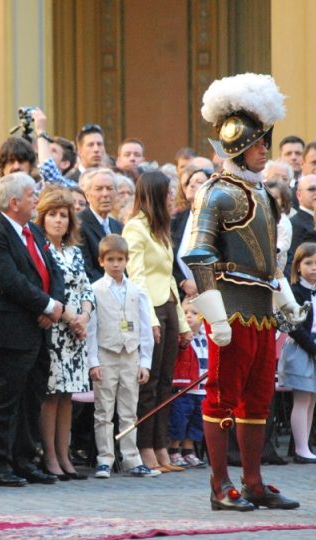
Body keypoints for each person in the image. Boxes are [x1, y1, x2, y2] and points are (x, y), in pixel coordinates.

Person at [183, 73, 303, 511]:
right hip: (230, 307)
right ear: (236, 146)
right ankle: (220, 486)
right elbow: (199, 256)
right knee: (222, 396)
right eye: (258, 146)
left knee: (258, 398)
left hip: (261, 308)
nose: (264, 151)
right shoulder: (214, 194)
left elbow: (269, 260)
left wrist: (284, 298)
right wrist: (214, 317)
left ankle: (253, 481)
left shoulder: (264, 194)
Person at [0, 172, 65, 487]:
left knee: (33, 398)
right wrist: (45, 306)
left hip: (40, 328)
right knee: (8, 398)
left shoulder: (32, 229)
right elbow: (9, 279)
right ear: (14, 201)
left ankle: (25, 460)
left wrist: (54, 304)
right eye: (32, 194)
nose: (36, 199)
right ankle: (0, 464)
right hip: (12, 329)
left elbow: (53, 269)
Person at [123, 170, 192, 474]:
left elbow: (168, 278)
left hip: (169, 305)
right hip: (149, 309)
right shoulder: (135, 228)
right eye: (167, 193)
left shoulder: (161, 229)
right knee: (148, 385)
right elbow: (136, 278)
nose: (171, 198)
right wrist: (149, 319)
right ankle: (144, 447)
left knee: (166, 383)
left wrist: (184, 325)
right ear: (154, 195)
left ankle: (162, 446)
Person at [35, 187, 94, 481]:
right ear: (42, 217)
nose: (58, 221)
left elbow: (86, 287)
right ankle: (50, 456)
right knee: (52, 394)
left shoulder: (73, 251)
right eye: (53, 215)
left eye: (63, 215)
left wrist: (83, 315)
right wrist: (71, 317)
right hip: (54, 327)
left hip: (75, 332)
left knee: (68, 394)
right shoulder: (39, 247)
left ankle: (64, 453)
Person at [87, 234, 156, 478]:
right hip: (106, 355)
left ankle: (131, 458)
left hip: (130, 356)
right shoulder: (94, 290)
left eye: (120, 259)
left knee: (129, 409)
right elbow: (91, 329)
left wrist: (145, 362)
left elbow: (145, 328)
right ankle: (104, 458)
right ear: (101, 261)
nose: (115, 264)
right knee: (103, 410)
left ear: (127, 260)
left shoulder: (137, 291)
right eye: (110, 259)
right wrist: (93, 361)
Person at [279, 243, 316, 465]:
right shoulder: (294, 292)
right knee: (302, 399)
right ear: (298, 266)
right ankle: (301, 449)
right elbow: (294, 325)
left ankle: (306, 446)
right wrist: (314, 349)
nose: (314, 268)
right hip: (303, 348)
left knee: (312, 400)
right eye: (308, 263)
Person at [167, 298, 209, 469]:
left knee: (196, 421)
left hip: (202, 387)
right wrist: (183, 340)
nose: (189, 316)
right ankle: (174, 449)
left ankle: (188, 450)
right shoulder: (180, 337)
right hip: (184, 387)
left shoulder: (206, 337)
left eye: (194, 313)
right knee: (179, 419)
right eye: (185, 313)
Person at [172, 165, 212, 300]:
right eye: (189, 182)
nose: (192, 185)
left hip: (212, 294)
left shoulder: (219, 219)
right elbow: (167, 256)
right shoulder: (176, 219)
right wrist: (182, 281)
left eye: (199, 182)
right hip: (182, 295)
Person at [78, 168, 124, 282]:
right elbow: (86, 269)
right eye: (99, 189)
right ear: (87, 195)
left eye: (109, 189)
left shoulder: (118, 226)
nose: (105, 194)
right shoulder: (78, 224)